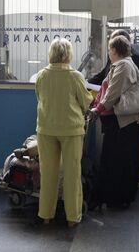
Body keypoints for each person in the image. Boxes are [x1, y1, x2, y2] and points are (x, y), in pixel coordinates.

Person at [35, 38, 93, 227]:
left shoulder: (41, 75)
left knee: (48, 174)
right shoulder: (75, 76)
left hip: (46, 129)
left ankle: (46, 215)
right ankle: (72, 217)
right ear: (68, 54)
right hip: (71, 130)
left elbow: (39, 97)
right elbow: (85, 102)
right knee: (72, 174)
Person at [88, 36, 139, 209]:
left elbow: (112, 93)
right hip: (121, 122)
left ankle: (115, 198)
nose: (108, 53)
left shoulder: (123, 66)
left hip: (121, 122)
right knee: (119, 160)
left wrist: (97, 110)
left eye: (109, 50)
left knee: (114, 160)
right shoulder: (125, 64)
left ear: (114, 50)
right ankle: (117, 197)